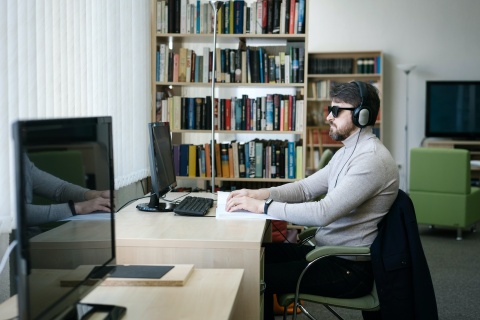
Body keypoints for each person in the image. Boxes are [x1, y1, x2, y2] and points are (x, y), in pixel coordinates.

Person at [226, 81, 399, 320]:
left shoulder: (371, 160)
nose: (329, 116)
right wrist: (260, 194)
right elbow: (306, 188)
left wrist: (263, 207)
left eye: (337, 111)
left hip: (347, 269)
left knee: (255, 272)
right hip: (326, 253)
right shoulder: (348, 151)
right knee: (257, 255)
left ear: (362, 115)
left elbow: (323, 212)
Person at [24, 154, 112, 228]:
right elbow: (15, 216)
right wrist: (77, 208)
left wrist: (95, 195)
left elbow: (60, 189)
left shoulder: (20, 158)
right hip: (23, 245)